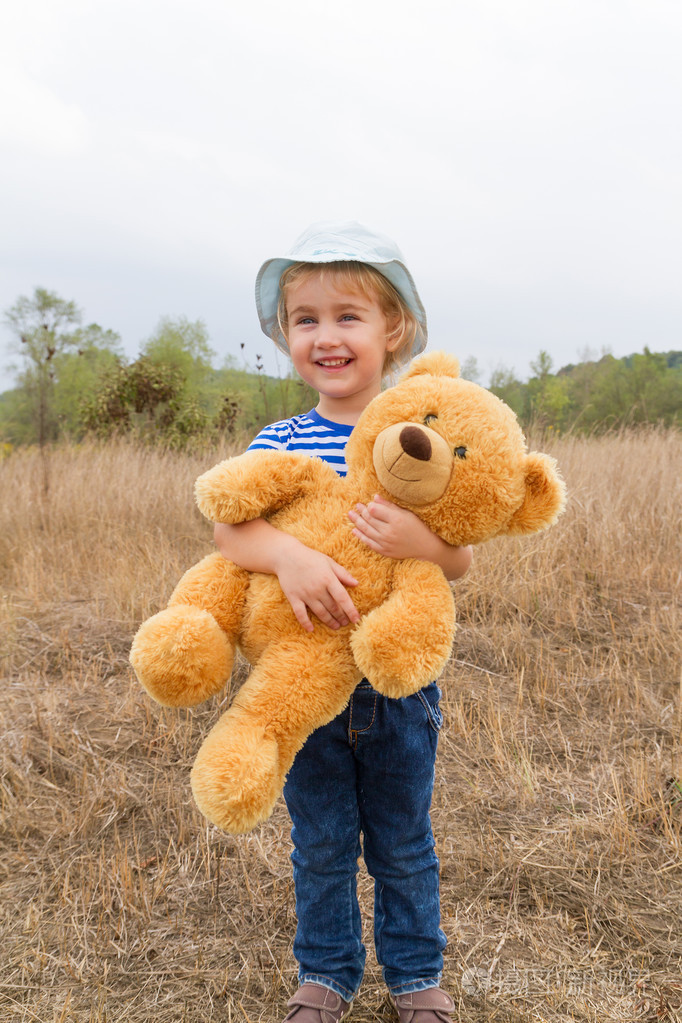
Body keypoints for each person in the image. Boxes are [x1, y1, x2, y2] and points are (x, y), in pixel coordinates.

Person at [214, 221, 472, 1023]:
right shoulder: (281, 439)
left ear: (393, 328)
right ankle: (325, 973)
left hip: (398, 686)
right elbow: (229, 529)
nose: (326, 336)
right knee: (320, 843)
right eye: (306, 319)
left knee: (402, 842)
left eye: (348, 315)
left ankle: (416, 976)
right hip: (303, 687)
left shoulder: (417, 438)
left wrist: (419, 539)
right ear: (287, 334)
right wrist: (288, 556)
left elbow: (459, 558)